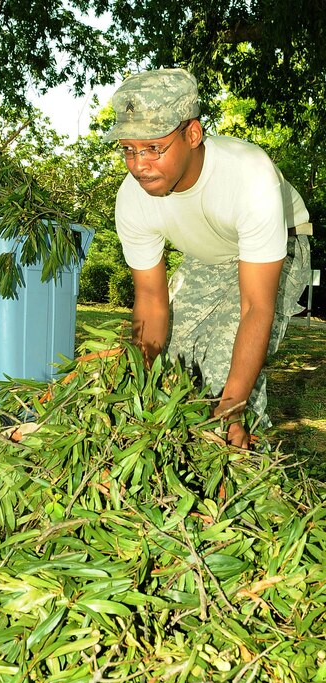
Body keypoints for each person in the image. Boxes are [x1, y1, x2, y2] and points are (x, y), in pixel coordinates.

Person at [103, 68, 312, 448]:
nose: (139, 166)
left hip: (279, 247)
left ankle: (239, 457)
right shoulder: (132, 199)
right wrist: (137, 381)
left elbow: (255, 307)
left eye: (154, 148)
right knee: (174, 366)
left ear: (193, 134)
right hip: (209, 255)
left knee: (222, 380)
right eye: (129, 150)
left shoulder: (249, 176)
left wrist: (231, 408)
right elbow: (151, 301)